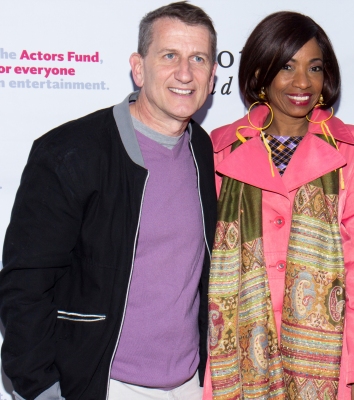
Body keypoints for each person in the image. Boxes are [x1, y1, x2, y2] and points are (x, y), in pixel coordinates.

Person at [0, 2, 217, 399]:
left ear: (212, 74)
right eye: (169, 55)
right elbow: (25, 283)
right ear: (138, 67)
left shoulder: (203, 149)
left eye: (198, 58)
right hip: (102, 384)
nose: (185, 73)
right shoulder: (70, 152)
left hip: (191, 384)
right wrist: (40, 388)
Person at [204, 11, 354, 400]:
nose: (302, 82)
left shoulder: (353, 147)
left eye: (314, 67)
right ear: (259, 75)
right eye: (287, 66)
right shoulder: (218, 148)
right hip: (238, 361)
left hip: (330, 364)